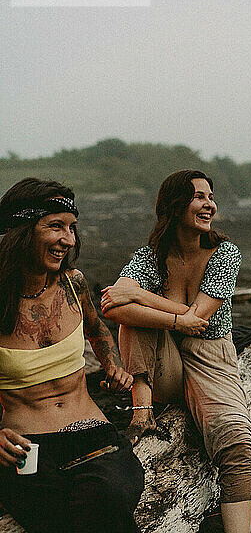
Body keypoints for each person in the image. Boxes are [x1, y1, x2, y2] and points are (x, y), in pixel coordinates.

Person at [101, 169, 251, 533]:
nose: (209, 205)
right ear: (175, 206)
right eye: (198, 197)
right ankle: (142, 414)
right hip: (164, 364)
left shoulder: (224, 253)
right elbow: (112, 306)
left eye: (210, 196)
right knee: (132, 321)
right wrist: (172, 322)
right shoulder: (151, 256)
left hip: (211, 357)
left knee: (236, 442)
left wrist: (140, 295)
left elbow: (199, 319)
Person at [0, 178, 144, 533]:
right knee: (58, 517)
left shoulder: (72, 283)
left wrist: (112, 364)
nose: (68, 239)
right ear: (22, 230)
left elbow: (96, 328)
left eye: (72, 228)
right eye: (55, 226)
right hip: (27, 451)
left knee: (106, 498)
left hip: (95, 437)